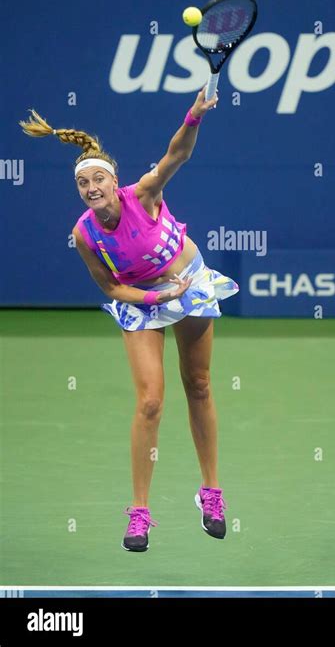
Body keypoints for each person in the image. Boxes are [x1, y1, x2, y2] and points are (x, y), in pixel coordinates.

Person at [19, 88, 239, 552]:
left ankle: (211, 493)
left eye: (98, 179)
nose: (91, 188)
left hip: (191, 283)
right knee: (150, 404)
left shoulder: (145, 193)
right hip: (144, 301)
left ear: (112, 180)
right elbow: (112, 288)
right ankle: (139, 512)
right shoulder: (84, 234)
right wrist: (156, 295)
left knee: (198, 384)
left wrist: (194, 116)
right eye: (83, 184)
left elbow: (176, 153)